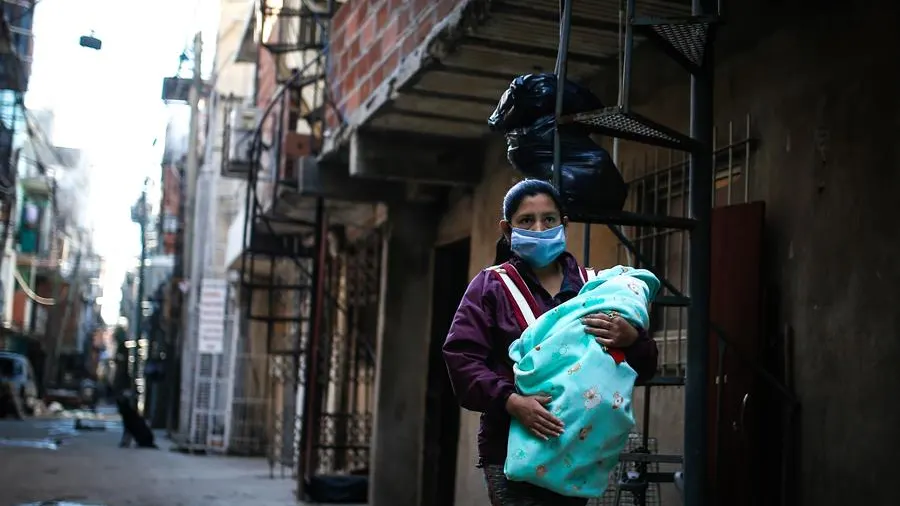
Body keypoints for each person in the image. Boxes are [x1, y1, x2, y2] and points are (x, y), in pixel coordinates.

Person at [443, 179, 658, 506]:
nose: (540, 228)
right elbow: (462, 359)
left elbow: (643, 368)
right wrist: (512, 401)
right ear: (507, 228)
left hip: (577, 449)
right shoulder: (491, 286)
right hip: (510, 450)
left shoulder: (597, 289)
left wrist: (632, 339)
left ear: (565, 224)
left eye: (549, 219)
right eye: (526, 221)